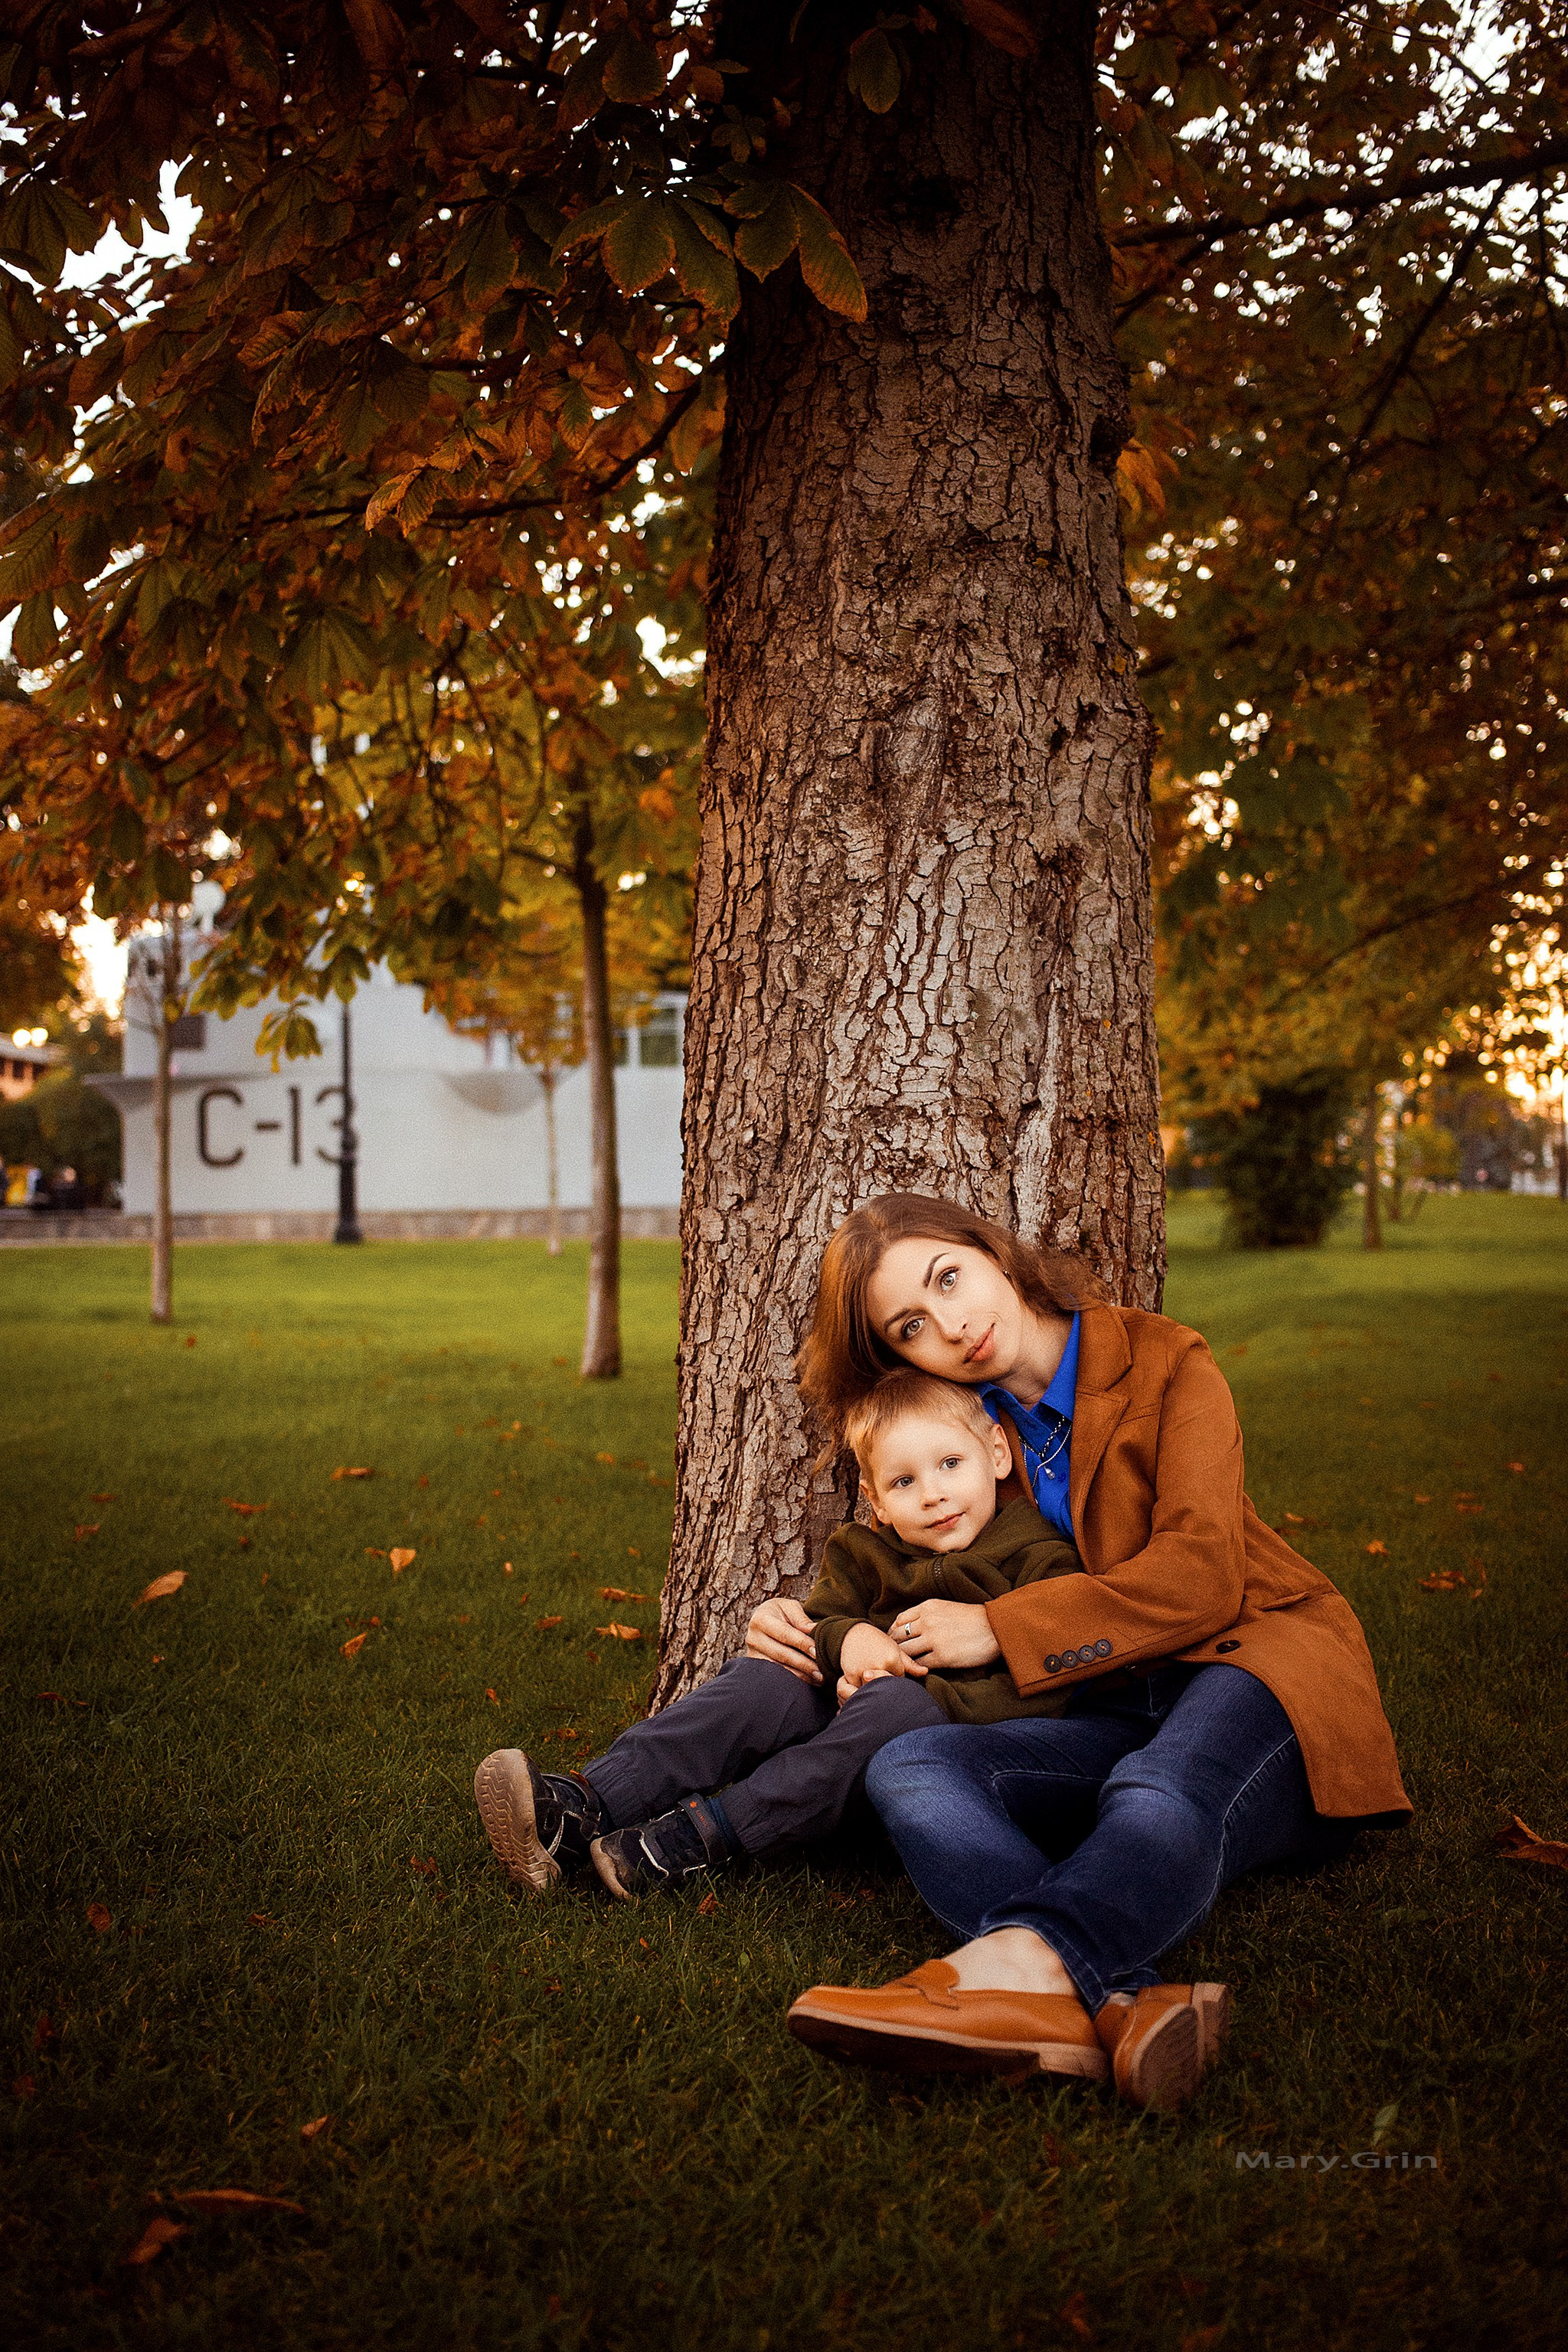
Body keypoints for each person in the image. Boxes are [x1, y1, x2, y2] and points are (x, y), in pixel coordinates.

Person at [747, 1193, 1410, 2111]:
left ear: (990, 1253)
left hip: (1254, 1665)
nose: (952, 1325)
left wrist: (1000, 1629)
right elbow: (886, 1559)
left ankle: (1003, 1971)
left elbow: (1201, 1575)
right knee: (908, 1766)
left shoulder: (1166, 1361)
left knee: (1160, 1787)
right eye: (911, 1325)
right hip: (1104, 1703)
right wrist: (823, 1629)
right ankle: (1115, 2007)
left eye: (949, 1278)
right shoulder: (957, 1428)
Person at [472, 1371, 1083, 1903]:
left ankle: (697, 1838)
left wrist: (926, 1695)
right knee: (767, 1679)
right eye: (903, 1482)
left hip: (930, 1771)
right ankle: (585, 1807)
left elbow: (1051, 1686)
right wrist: (847, 1643)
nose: (934, 1493)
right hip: (839, 1735)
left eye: (951, 1463)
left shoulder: (1038, 1556)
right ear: (875, 1501)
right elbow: (820, 1625)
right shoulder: (863, 1554)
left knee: (897, 1705)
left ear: (998, 1454)